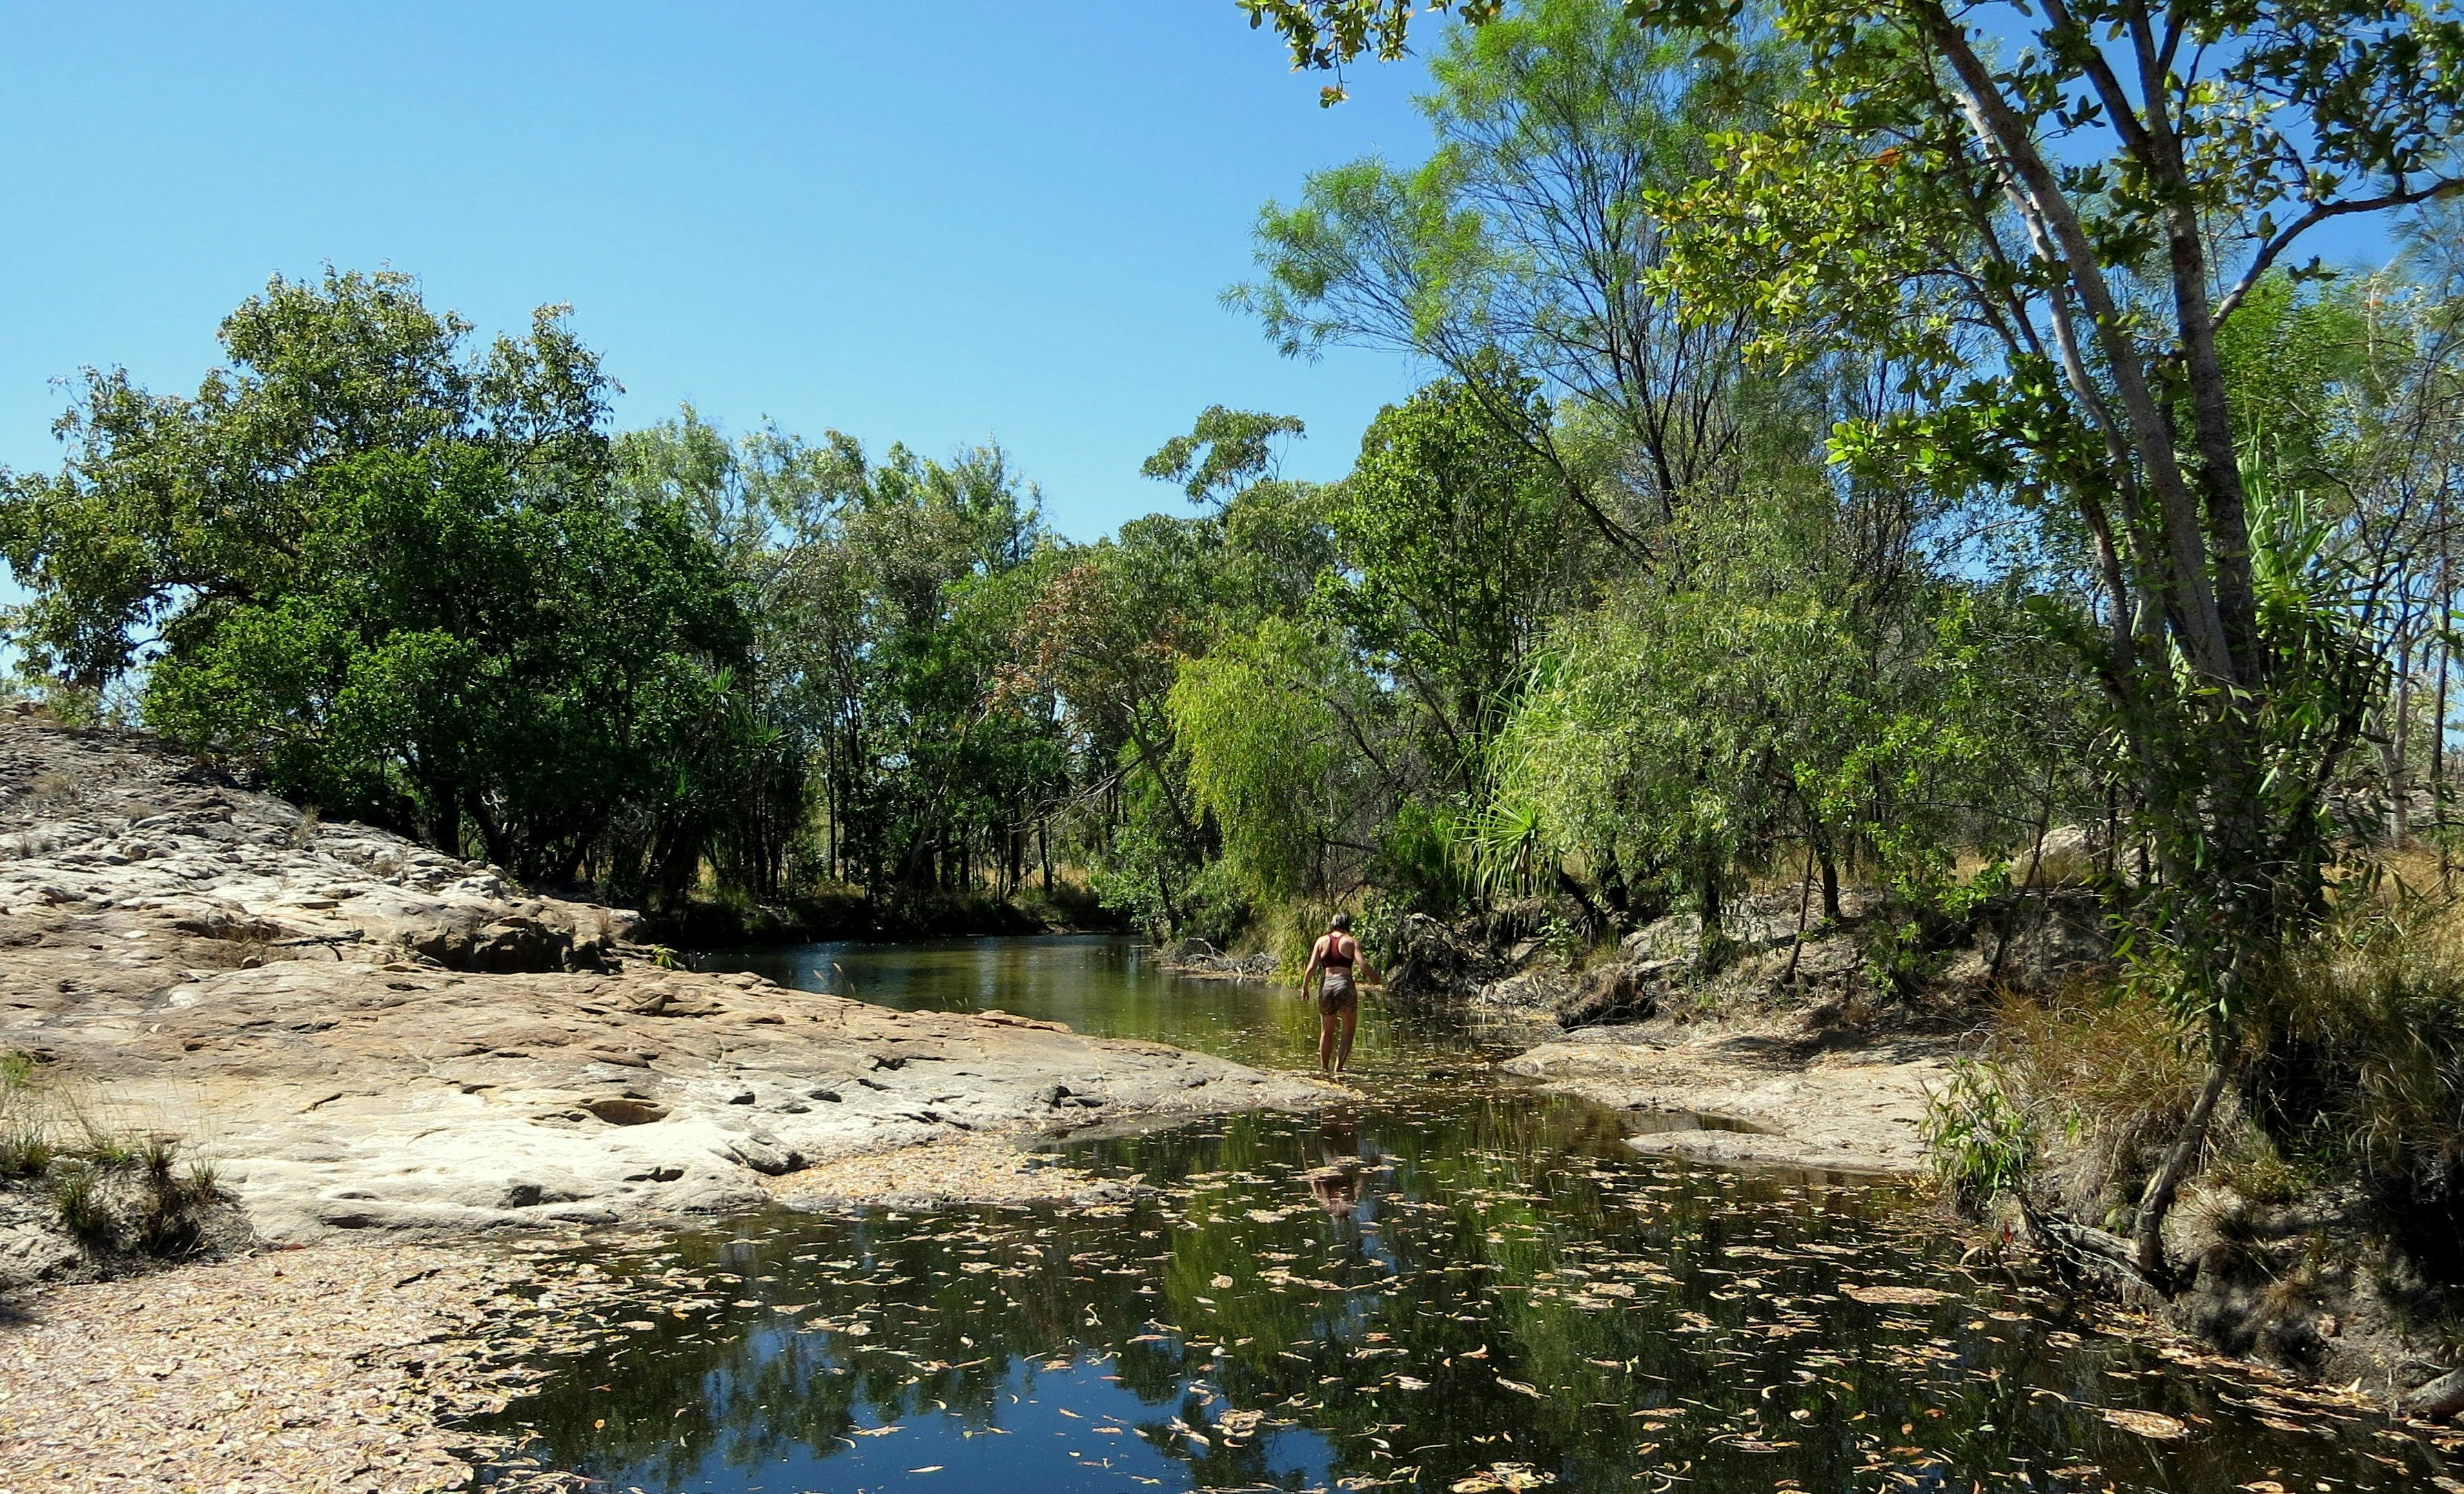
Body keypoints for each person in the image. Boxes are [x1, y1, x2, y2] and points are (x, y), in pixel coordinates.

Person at [1297, 912, 1378, 1077]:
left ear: (1332, 925)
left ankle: (1324, 1070)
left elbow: (1312, 966)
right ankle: (1338, 1070)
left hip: (1326, 986)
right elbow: (1362, 964)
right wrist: (1376, 978)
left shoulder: (1321, 941)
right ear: (1347, 925)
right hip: (1345, 985)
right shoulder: (1351, 941)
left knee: (1326, 1031)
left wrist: (1305, 987)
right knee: (1348, 1031)